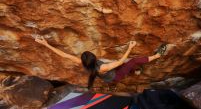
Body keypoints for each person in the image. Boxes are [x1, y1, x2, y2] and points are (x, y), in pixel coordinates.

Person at [35, 37, 167, 89]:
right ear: (94, 59)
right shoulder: (103, 67)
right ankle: (157, 55)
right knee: (132, 61)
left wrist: (45, 43)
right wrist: (130, 48)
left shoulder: (84, 64)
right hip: (115, 75)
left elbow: (63, 54)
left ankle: (116, 84)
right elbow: (121, 60)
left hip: (108, 77)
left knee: (124, 67)